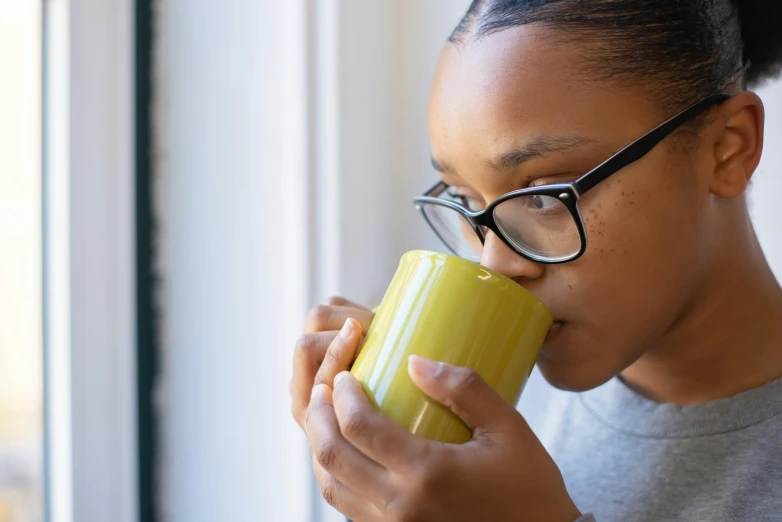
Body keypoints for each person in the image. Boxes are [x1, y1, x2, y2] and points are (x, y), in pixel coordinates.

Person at [289, 1, 782, 520]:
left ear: (728, 148)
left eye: (543, 197)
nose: (496, 264)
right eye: (466, 201)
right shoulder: (472, 418)